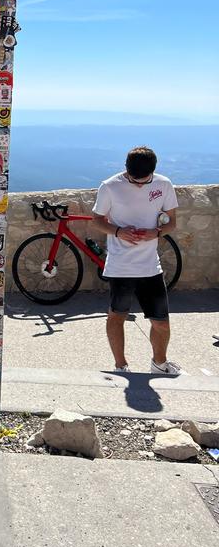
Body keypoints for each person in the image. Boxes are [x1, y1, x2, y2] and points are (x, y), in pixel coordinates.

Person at [92, 146, 182, 375]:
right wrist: (118, 231)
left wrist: (158, 233)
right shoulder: (110, 186)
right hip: (120, 266)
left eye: (145, 181)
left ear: (154, 171)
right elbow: (97, 220)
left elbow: (171, 222)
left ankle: (159, 364)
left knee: (161, 321)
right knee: (117, 316)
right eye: (134, 180)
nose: (140, 185)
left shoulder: (163, 184)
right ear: (126, 169)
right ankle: (121, 366)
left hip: (151, 266)